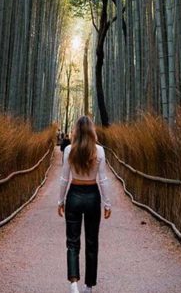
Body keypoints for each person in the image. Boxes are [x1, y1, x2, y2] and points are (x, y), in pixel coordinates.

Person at [56, 115, 112, 293]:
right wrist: (107, 203)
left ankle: (74, 284)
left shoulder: (69, 150)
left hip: (74, 194)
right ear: (92, 131)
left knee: (72, 242)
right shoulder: (99, 151)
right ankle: (88, 286)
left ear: (76, 131)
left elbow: (64, 178)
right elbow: (103, 179)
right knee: (92, 242)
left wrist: (60, 200)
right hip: (92, 196)